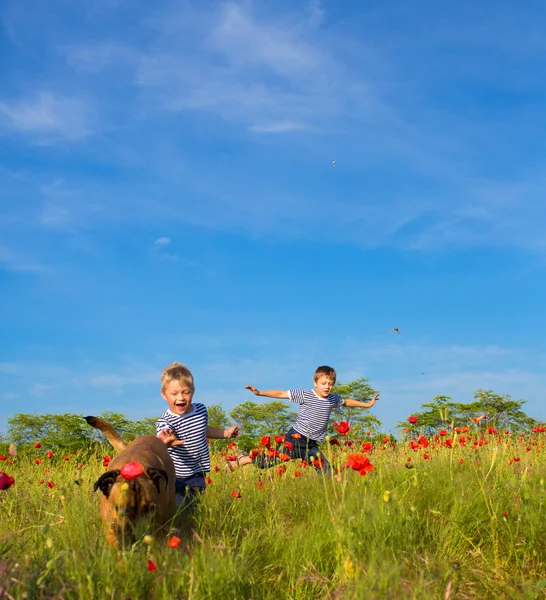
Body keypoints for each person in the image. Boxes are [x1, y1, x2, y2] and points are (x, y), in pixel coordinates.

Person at [235, 365, 379, 476]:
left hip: (311, 445)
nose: (327, 387)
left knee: (326, 471)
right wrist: (259, 393)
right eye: (324, 383)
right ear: (315, 382)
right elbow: (282, 394)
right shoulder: (306, 394)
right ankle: (244, 459)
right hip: (295, 439)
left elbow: (346, 401)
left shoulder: (332, 399)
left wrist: (367, 404)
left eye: (330, 384)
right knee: (266, 463)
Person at [156, 362, 239, 507]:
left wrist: (225, 433)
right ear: (164, 394)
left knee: (194, 507)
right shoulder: (166, 421)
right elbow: (161, 437)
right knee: (176, 509)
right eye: (174, 393)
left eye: (185, 392)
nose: (181, 398)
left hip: (197, 473)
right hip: (174, 475)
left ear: (192, 391)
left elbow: (203, 429)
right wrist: (165, 442)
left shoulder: (200, 410)